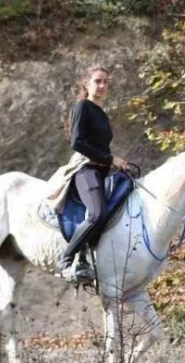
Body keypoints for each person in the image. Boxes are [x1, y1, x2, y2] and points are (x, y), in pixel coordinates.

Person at [51, 65, 130, 282]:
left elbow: (101, 147)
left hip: (102, 170)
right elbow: (78, 143)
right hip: (85, 170)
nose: (102, 85)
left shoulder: (102, 114)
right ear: (86, 84)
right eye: (97, 81)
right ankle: (66, 258)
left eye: (105, 81)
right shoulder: (81, 108)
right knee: (97, 214)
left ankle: (90, 259)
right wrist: (111, 159)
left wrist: (117, 163)